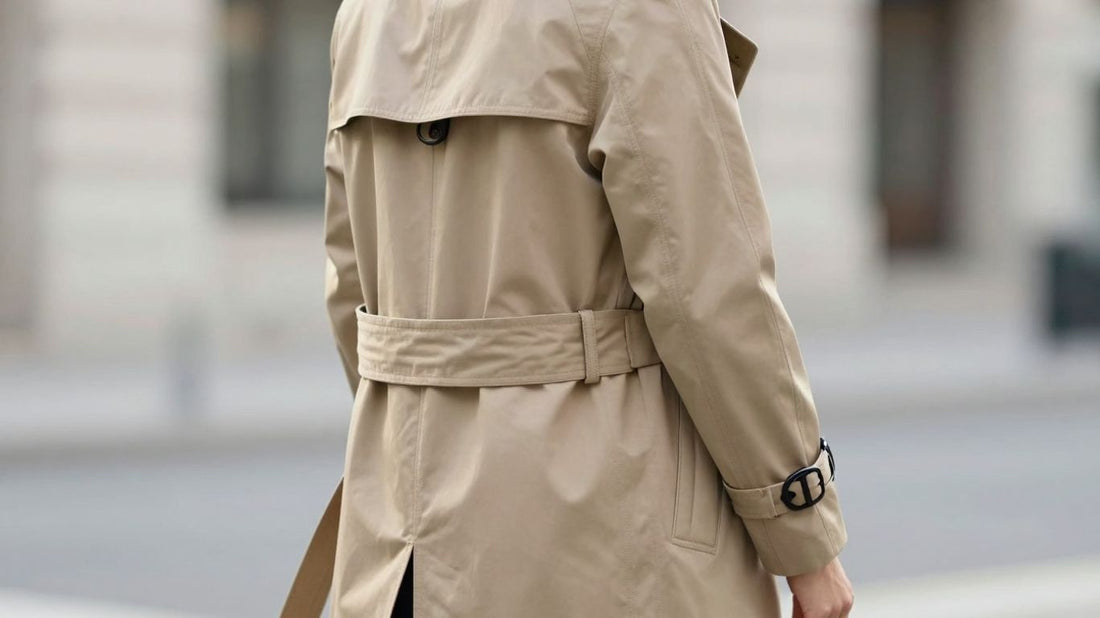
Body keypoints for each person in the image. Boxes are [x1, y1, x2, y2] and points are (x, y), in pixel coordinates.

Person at [282, 0, 854, 616]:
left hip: (399, 554)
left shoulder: (368, 14)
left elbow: (352, 288)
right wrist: (804, 537)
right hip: (605, 542)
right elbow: (710, 295)